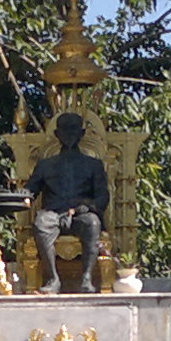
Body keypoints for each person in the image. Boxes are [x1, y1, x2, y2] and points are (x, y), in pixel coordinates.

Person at [28, 114, 111, 292]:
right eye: (65, 130)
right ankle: (53, 279)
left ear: (81, 133)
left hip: (81, 214)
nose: (69, 134)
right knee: (41, 223)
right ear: (57, 134)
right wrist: (23, 196)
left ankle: (86, 278)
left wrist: (88, 206)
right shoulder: (45, 165)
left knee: (92, 223)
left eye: (73, 130)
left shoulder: (93, 165)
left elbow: (102, 196)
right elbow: (30, 190)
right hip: (53, 213)